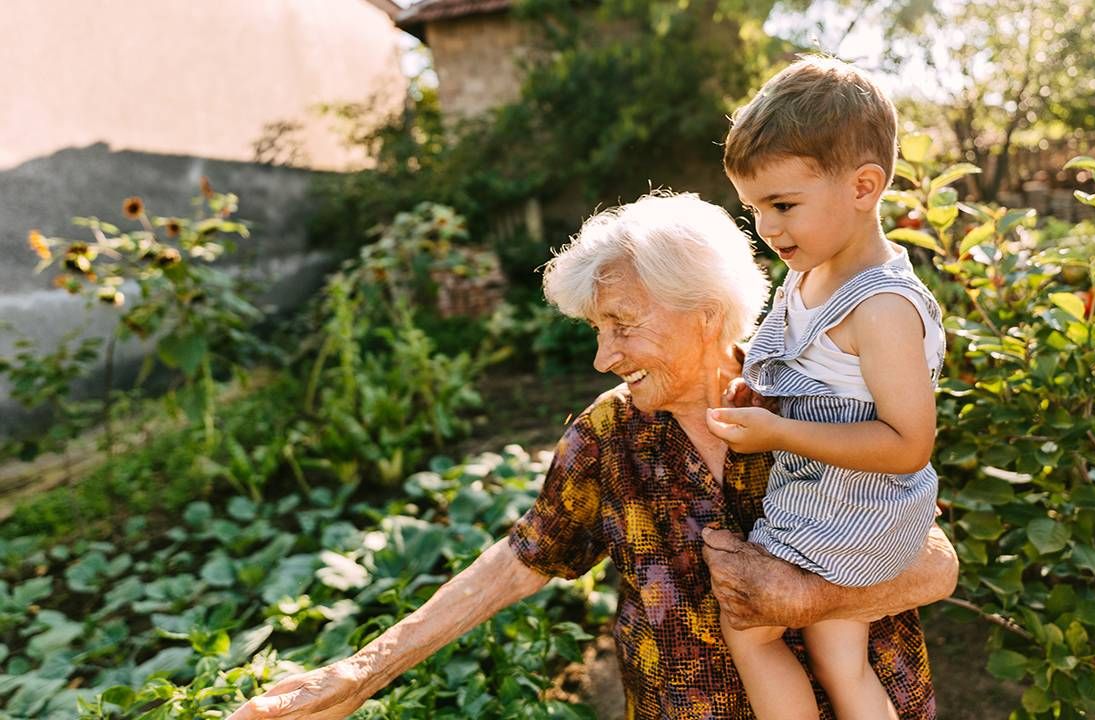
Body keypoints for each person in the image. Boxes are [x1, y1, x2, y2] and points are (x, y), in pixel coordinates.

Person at [227, 192, 957, 720]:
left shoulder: (811, 398)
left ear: (705, 312)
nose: (605, 356)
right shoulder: (610, 439)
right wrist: (360, 673)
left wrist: (810, 597)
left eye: (622, 324)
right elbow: (523, 558)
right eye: (596, 328)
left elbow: (936, 563)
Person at [705, 56, 946, 720]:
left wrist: (779, 431)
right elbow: (807, 364)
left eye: (783, 205)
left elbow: (908, 445)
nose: (769, 228)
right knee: (841, 659)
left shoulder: (882, 309)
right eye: (754, 209)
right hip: (838, 496)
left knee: (748, 629)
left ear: (864, 186)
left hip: (856, 505)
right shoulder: (811, 272)